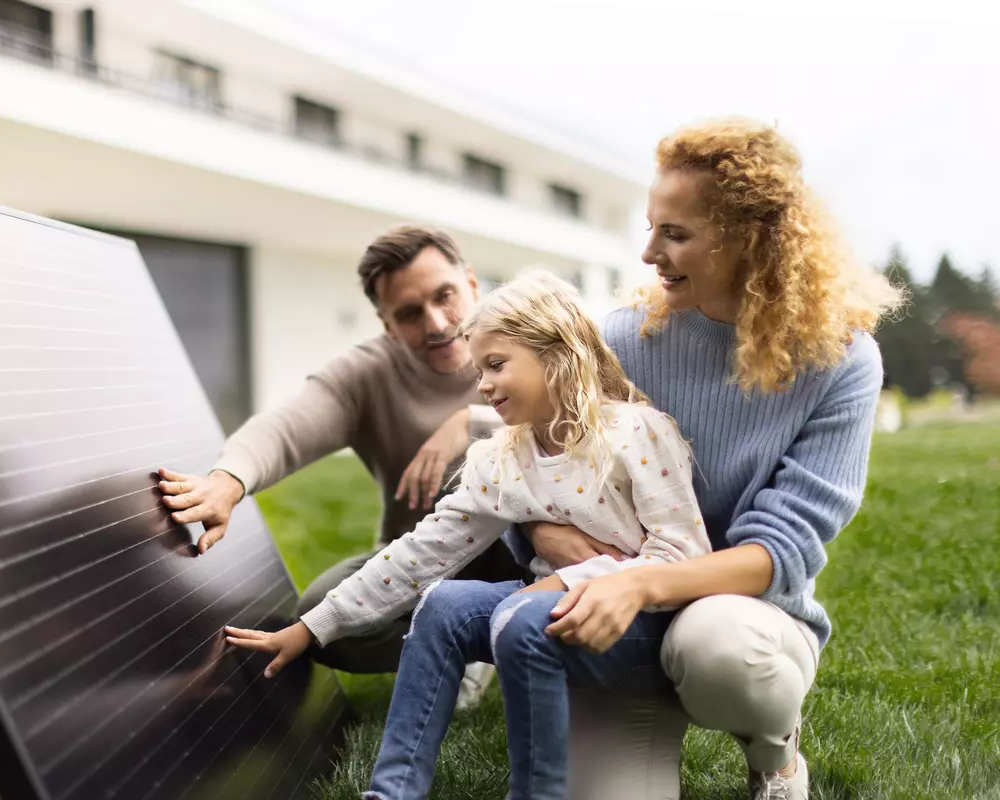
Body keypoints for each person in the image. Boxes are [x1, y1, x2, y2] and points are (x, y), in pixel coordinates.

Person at [494, 117, 904, 799]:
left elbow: (782, 549)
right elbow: (527, 464)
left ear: (751, 240)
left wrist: (641, 583)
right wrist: (539, 531)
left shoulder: (841, 361)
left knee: (717, 649)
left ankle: (775, 755)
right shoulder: (623, 340)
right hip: (617, 620)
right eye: (650, 228)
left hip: (740, 615)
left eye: (675, 234)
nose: (650, 252)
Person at [223, 270, 713, 800]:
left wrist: (559, 587)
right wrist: (312, 628)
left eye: (497, 365)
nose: (483, 384)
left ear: (557, 352)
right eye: (480, 369)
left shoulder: (636, 433)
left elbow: (682, 553)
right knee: (443, 604)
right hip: (541, 616)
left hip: (637, 627)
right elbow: (421, 551)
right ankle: (390, 793)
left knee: (523, 621)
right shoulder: (503, 457)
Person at [156, 226, 619, 704]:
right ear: (386, 324)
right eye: (410, 314)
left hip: (534, 563)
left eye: (446, 296)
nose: (437, 323)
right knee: (320, 613)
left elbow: (594, 416)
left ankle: (507, 630)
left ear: (472, 284)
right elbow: (284, 427)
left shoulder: (530, 342)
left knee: (490, 467)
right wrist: (227, 481)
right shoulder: (365, 375)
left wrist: (470, 425)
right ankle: (469, 645)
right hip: (421, 560)